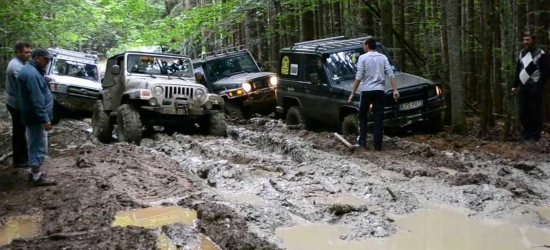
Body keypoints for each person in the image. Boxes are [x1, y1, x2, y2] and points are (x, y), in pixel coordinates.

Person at [348, 38, 399, 151]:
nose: (363, 47)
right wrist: (395, 90)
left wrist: (352, 93)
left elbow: (358, 76)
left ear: (367, 46)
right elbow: (391, 74)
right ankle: (378, 145)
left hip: (367, 90)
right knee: (378, 118)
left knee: (362, 116)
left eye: (363, 45)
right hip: (380, 91)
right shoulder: (383, 57)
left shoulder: (363, 58)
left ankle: (362, 142)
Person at [18, 48, 56, 186]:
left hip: (32, 115)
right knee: (38, 144)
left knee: (35, 142)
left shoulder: (31, 70)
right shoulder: (32, 74)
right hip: (35, 116)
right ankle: (36, 176)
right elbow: (37, 99)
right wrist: (44, 119)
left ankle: (33, 172)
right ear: (37, 58)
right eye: (46, 59)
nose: (48, 62)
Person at [512, 32, 549, 142]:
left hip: (535, 86)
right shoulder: (522, 53)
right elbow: (518, 69)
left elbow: (546, 71)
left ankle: (535, 135)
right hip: (523, 86)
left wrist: (539, 85)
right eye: (524, 40)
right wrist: (515, 85)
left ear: (533, 41)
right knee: (524, 111)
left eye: (527, 40)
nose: (525, 42)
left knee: (535, 111)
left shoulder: (540, 53)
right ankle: (526, 134)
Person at [5, 42, 31, 168]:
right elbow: (26, 84)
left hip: (14, 102)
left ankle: (21, 158)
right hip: (16, 104)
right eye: (26, 52)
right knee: (19, 132)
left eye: (29, 52)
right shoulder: (16, 67)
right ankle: (20, 160)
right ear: (18, 52)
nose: (28, 55)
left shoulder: (19, 64)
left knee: (19, 131)